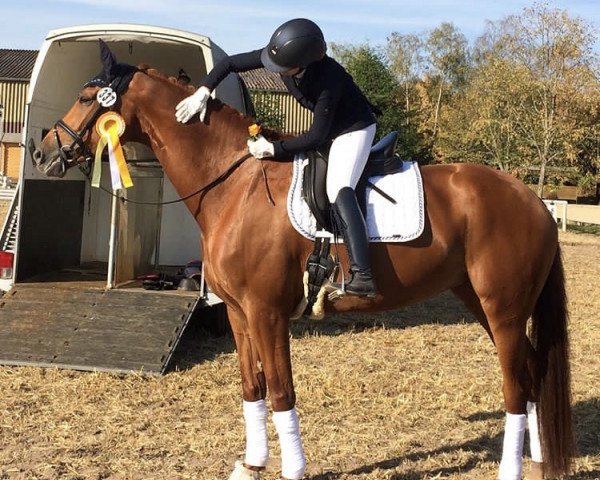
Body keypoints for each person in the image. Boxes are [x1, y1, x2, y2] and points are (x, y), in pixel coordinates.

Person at [175, 18, 378, 297]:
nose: (276, 72)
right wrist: (203, 90)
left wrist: (274, 149)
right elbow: (230, 65)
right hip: (329, 128)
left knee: (338, 188)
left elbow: (316, 136)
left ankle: (362, 274)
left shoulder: (329, 80)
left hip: (353, 129)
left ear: (305, 63)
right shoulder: (281, 55)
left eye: (283, 69)